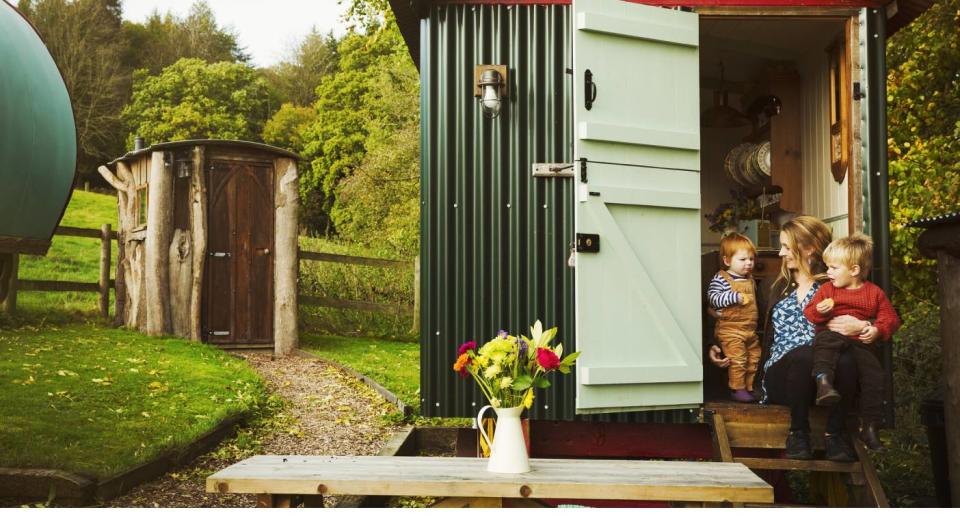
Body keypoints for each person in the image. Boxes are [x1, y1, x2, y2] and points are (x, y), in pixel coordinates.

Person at [707, 215, 870, 461]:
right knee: (804, 354)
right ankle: (798, 432)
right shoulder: (773, 285)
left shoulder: (836, 283)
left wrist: (866, 326)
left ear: (809, 248)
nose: (781, 253)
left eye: (786, 246)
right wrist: (716, 344)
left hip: (827, 378)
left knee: (845, 359)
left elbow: (870, 311)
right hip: (782, 374)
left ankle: (835, 435)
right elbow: (734, 316)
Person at [804, 233, 900, 451]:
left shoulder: (874, 293)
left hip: (860, 344)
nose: (828, 272)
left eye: (834, 268)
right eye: (828, 267)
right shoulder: (827, 290)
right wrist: (820, 311)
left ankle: (870, 427)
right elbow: (809, 313)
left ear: (854, 270)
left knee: (875, 377)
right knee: (825, 343)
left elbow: (891, 319)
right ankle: (824, 382)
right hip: (832, 336)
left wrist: (876, 329)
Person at [706, 233, 760, 403]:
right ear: (728, 261)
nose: (749, 263)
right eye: (743, 259)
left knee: (754, 357)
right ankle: (737, 388)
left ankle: (750, 387)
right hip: (730, 330)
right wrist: (733, 297)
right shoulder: (721, 278)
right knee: (738, 359)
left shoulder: (749, 280)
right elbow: (713, 298)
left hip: (749, 330)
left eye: (751, 258)